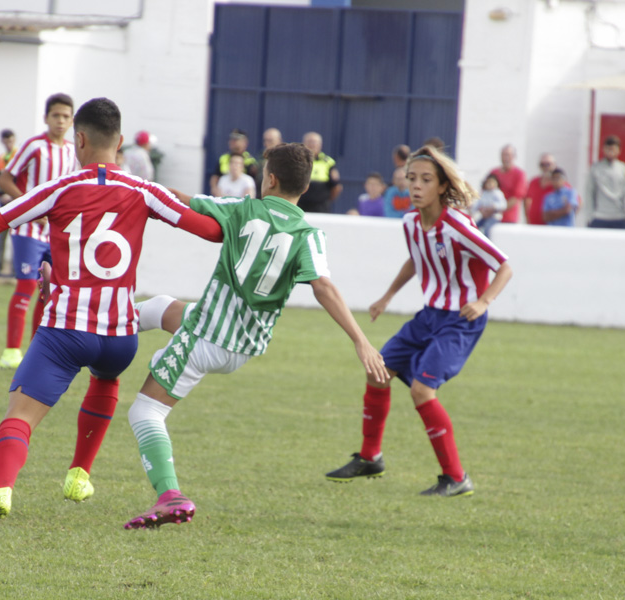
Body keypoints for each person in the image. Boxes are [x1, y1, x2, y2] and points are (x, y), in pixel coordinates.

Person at [0, 97, 224, 525]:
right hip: (120, 336)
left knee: (20, 416)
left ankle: (0, 492)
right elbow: (211, 230)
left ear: (79, 139)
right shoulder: (145, 191)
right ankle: (79, 474)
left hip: (65, 330)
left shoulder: (60, 188)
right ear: (119, 143)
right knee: (106, 376)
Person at [116, 143, 388, 529]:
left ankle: (169, 496)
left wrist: (127, 183)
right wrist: (361, 341)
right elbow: (323, 286)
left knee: (145, 411)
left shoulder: (243, 209)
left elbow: (182, 200)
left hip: (206, 337)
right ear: (305, 186)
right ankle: (105, 323)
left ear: (270, 179)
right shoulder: (309, 234)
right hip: (241, 346)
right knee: (161, 307)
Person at [325, 145, 512, 497]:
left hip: (460, 321)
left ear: (442, 186)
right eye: (411, 178)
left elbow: (504, 264)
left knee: (422, 390)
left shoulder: (456, 223)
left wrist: (484, 301)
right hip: (429, 316)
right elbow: (416, 260)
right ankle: (370, 457)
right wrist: (387, 296)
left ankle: (456, 478)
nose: (416, 186)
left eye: (426, 179)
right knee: (376, 371)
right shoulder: (411, 222)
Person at [0, 93, 79, 370]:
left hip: (55, 233)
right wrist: (31, 207)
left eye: (66, 116)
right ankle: (10, 351)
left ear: (72, 120)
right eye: (56, 115)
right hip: (28, 229)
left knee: (49, 290)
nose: (61, 121)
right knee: (27, 285)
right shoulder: (34, 146)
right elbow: (4, 179)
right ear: (46, 118)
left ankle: (35, 352)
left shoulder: (71, 152)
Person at [585, 135, 625, 229]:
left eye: (613, 149)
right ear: (603, 149)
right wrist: (590, 216)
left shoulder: (623, 168)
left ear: (619, 151)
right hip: (599, 217)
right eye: (608, 149)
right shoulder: (596, 168)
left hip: (618, 217)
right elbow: (589, 191)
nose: (611, 152)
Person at [0, 129, 19, 276]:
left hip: (17, 202)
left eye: (11, 140)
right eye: (6, 141)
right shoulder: (0, 159)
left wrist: (12, 193)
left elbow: (21, 179)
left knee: (17, 236)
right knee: (1, 236)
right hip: (3, 203)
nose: (8, 144)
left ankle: (16, 270)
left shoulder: (19, 156)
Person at [299, 131, 341, 213]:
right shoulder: (297, 160)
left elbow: (336, 187)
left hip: (321, 209)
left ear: (320, 144)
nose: (312, 145)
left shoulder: (328, 162)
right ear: (303, 144)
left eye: (315, 142)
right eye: (309, 142)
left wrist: (326, 200)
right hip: (299, 207)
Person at [210, 129, 259, 195]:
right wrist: (214, 188)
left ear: (244, 143)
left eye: (236, 140)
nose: (232, 142)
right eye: (231, 140)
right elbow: (215, 176)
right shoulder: (223, 158)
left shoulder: (250, 160)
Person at [487, 144, 527, 224]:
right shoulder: (494, 172)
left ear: (514, 156)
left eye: (508, 155)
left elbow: (516, 198)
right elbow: (485, 191)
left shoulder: (519, 174)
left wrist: (498, 209)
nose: (505, 158)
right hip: (491, 217)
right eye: (503, 155)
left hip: (509, 219)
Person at [524, 153, 556, 226]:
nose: (545, 167)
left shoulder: (560, 184)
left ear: (554, 165)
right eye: (542, 164)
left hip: (552, 227)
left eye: (548, 164)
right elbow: (527, 201)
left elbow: (575, 202)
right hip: (534, 226)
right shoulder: (534, 182)